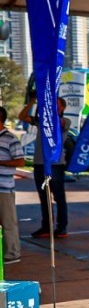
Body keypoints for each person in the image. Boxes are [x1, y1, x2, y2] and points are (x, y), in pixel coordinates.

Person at [19, 97, 69, 238]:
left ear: (63, 108)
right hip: (39, 163)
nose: (54, 108)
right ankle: (46, 227)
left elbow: (58, 121)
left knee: (59, 197)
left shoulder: (64, 122)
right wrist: (33, 101)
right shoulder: (41, 121)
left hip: (56, 165)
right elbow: (22, 116)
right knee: (44, 197)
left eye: (57, 106)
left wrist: (48, 108)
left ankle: (62, 227)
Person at [0, 108, 24, 264]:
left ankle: (12, 254)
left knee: (8, 222)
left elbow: (20, 161)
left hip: (4, 187)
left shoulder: (10, 139)